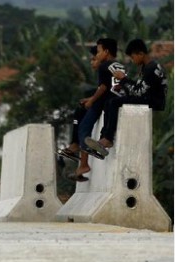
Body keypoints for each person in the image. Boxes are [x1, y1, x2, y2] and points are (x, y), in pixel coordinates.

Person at [85, 38, 169, 156]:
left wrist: (123, 79)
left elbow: (139, 92)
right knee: (109, 102)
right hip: (148, 97)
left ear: (141, 53)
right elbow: (139, 87)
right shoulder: (149, 66)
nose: (132, 60)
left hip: (152, 101)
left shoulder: (151, 69)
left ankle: (108, 138)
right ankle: (104, 137)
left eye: (133, 57)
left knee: (114, 102)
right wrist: (123, 85)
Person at [67, 38, 121, 182]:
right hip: (110, 100)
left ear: (106, 52)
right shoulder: (116, 65)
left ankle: (79, 148)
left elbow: (103, 88)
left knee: (83, 126)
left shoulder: (105, 66)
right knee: (80, 115)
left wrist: (91, 100)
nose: (94, 59)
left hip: (103, 102)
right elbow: (110, 87)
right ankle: (79, 154)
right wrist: (90, 99)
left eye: (96, 54)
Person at [56, 46, 101, 165]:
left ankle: (76, 146)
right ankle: (75, 145)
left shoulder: (107, 70)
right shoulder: (102, 72)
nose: (92, 63)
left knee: (81, 115)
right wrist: (90, 99)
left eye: (94, 59)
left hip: (106, 103)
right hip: (100, 101)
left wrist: (92, 100)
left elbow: (107, 90)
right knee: (79, 111)